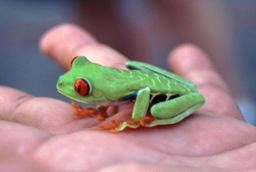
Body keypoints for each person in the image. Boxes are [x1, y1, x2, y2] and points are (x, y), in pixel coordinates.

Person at [0, 24, 256, 171]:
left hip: (168, 95)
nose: (67, 82)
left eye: (80, 87)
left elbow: (143, 93)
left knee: (153, 110)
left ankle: (149, 117)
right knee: (131, 64)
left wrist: (134, 119)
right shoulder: (107, 92)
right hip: (139, 83)